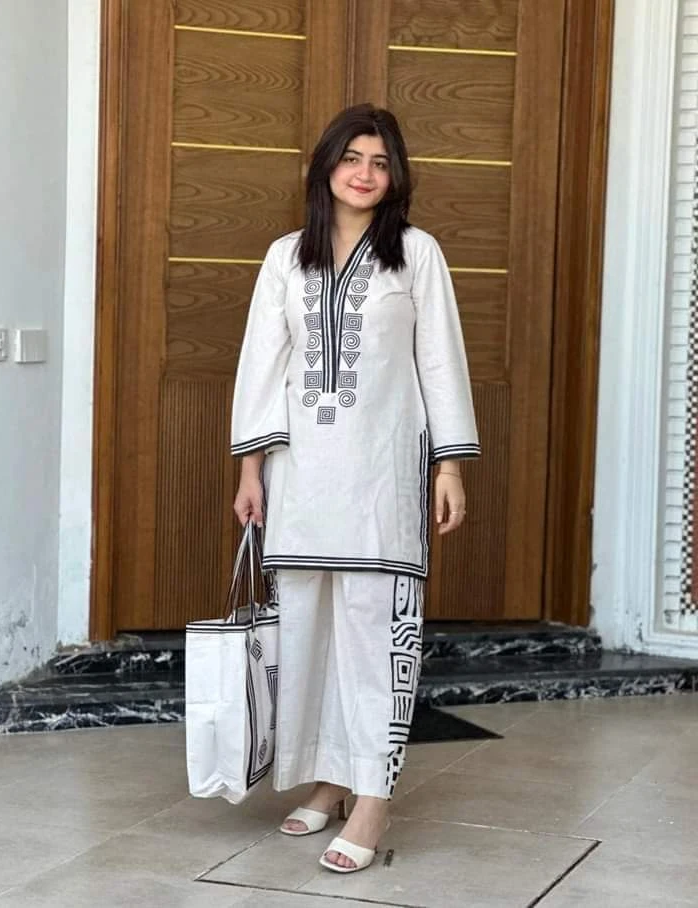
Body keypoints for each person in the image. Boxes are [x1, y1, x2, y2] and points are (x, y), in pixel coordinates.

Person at [231, 103, 479, 874]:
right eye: (352, 158)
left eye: (380, 161)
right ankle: (330, 777)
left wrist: (448, 466)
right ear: (325, 167)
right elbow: (262, 366)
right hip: (300, 477)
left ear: (395, 175)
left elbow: (440, 360)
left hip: (381, 479)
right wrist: (250, 470)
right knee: (308, 635)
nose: (365, 173)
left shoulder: (417, 254)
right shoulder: (286, 257)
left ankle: (372, 797)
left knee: (375, 640)